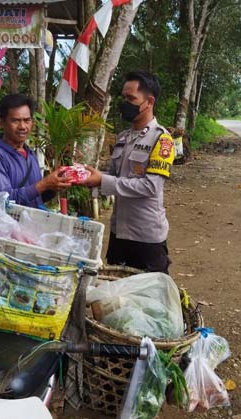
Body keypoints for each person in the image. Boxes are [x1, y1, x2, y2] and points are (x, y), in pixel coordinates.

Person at [79, 71, 175, 273]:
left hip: (146, 237)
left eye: (131, 98)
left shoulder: (162, 140)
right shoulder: (123, 138)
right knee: (116, 296)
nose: (125, 103)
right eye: (124, 97)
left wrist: (102, 180)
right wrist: (89, 179)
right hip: (119, 232)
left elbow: (151, 186)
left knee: (149, 298)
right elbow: (112, 178)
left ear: (149, 102)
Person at [0, 94, 71, 207]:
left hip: (31, 222)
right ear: (1, 122)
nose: (22, 126)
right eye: (15, 121)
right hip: (5, 224)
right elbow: (3, 201)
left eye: (27, 120)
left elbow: (36, 198)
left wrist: (54, 185)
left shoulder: (30, 154)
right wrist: (43, 184)